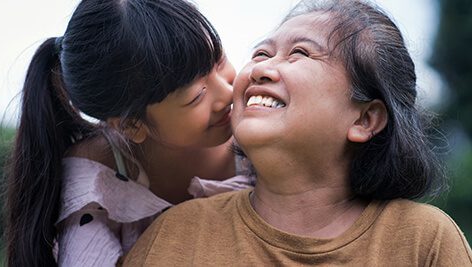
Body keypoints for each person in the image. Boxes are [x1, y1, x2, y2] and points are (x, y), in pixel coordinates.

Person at [123, 0, 472, 266]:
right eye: (261, 52)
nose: (262, 68)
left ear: (365, 120)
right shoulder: (175, 235)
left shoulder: (423, 241)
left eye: (300, 53)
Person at [5, 0, 253, 266]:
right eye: (197, 97)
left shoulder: (258, 131)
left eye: (219, 60)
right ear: (132, 126)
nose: (227, 94)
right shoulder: (97, 185)